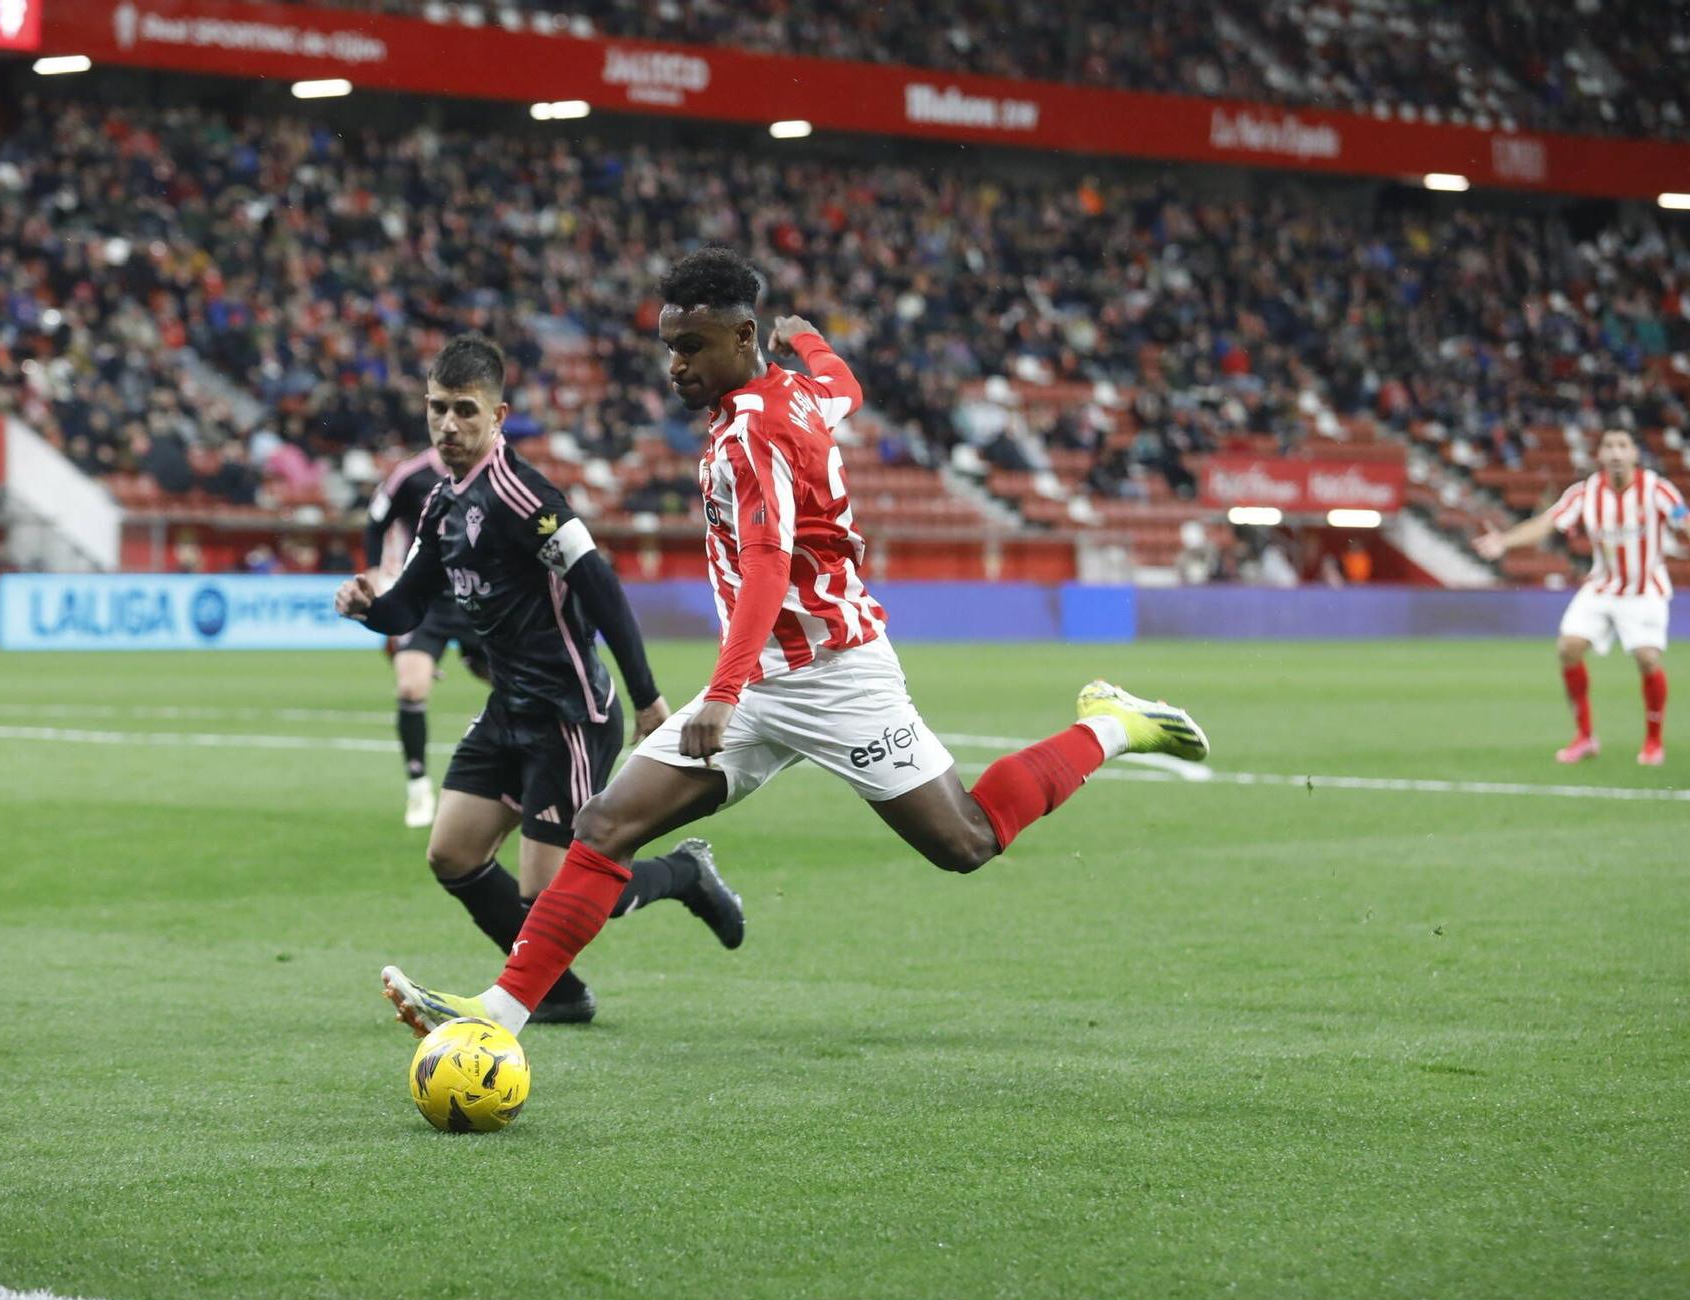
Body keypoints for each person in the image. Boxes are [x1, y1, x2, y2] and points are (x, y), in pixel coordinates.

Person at [373, 248, 1209, 1041]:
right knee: (605, 824)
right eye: (669, 347)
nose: (676, 366)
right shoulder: (800, 393)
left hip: (838, 674)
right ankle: (499, 1010)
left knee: (966, 841)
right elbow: (843, 383)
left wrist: (725, 691)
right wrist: (805, 338)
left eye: (693, 346)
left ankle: (1112, 723)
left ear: (743, 338)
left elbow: (769, 566)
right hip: (764, 678)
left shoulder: (751, 435)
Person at [337, 334, 744, 1027]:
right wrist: (370, 609)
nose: (448, 426)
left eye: (465, 410)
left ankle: (683, 873)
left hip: (568, 713)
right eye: (437, 409)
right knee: (452, 852)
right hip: (509, 708)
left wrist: (646, 697)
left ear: (498, 417)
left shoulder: (523, 494)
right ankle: (557, 990)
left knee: (559, 895)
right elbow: (410, 601)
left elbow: (600, 583)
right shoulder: (441, 504)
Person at [1475, 429, 1690, 766]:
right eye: (1609, 446)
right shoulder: (1584, 493)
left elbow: (1688, 522)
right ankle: (1585, 737)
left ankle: (1653, 741)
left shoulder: (1656, 489)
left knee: (1647, 658)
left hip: (1644, 589)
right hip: (1602, 586)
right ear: (1599, 455)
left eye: (1622, 446)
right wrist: (1505, 541)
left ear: (1634, 454)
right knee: (1568, 647)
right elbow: (1546, 522)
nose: (1615, 452)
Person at [361, 437, 489, 828]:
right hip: (425, 601)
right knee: (411, 688)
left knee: (518, 687)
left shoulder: (495, 473)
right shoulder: (410, 476)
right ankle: (418, 788)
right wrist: (373, 574)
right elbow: (375, 522)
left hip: (478, 596)